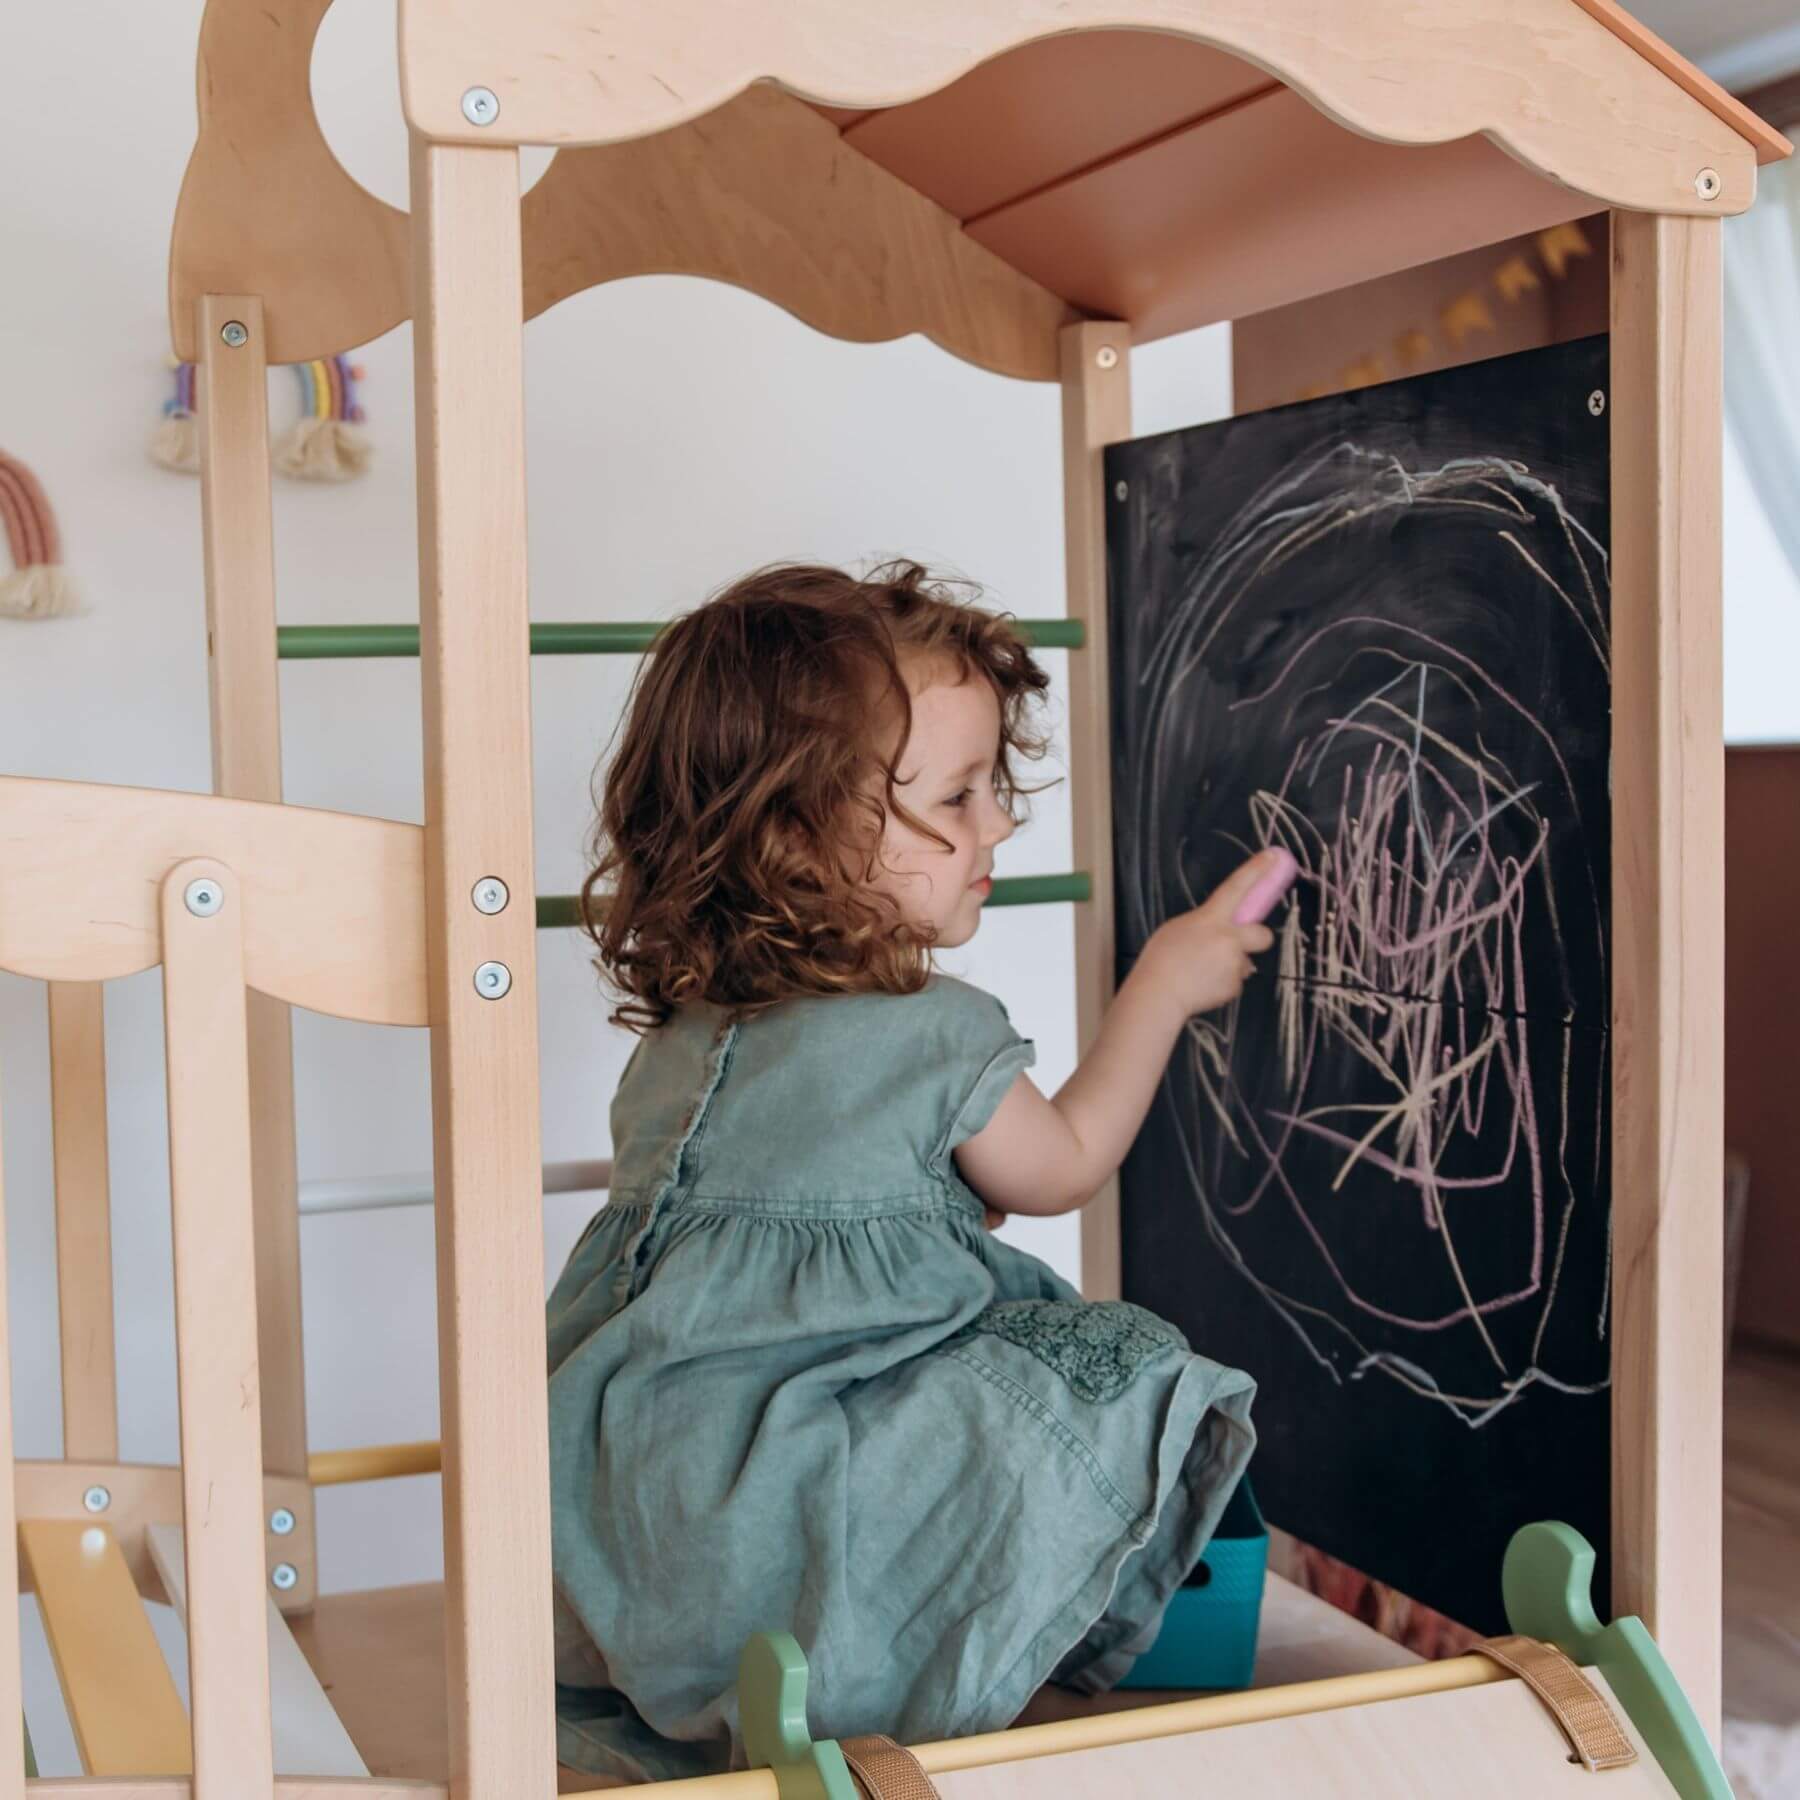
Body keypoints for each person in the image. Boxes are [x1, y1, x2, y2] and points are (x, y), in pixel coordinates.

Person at [548, 561, 1270, 1781]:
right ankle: (919, 1672)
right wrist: (1162, 986)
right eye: (959, 794)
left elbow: (766, 1250)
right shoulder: (935, 1032)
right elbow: (1065, 1166)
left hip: (626, 1524)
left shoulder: (681, 1042)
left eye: (995, 786)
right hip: (798, 1529)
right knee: (1115, 1365)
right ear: (798, 833)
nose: (997, 825)